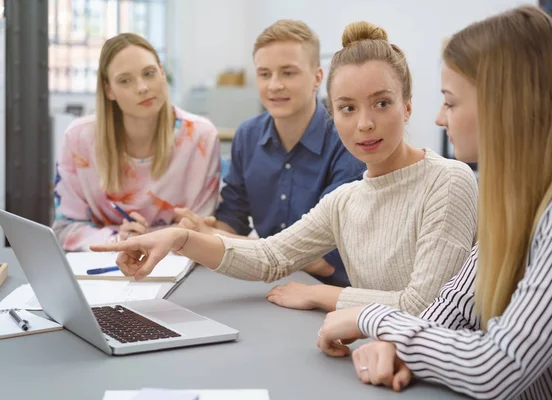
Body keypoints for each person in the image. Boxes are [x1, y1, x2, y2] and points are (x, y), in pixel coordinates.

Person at [90, 22, 479, 318]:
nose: (364, 124)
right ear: (333, 113)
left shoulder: (448, 180)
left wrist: (320, 295)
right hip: (368, 351)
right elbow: (268, 256)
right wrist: (177, 237)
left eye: (381, 103)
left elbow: (424, 305)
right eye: (347, 108)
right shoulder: (345, 201)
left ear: (408, 105)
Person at [315, 6, 552, 400]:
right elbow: (454, 305)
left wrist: (373, 320)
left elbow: (498, 366)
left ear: (503, 105)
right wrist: (394, 346)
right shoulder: (520, 194)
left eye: (450, 101)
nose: (438, 118)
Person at [173, 20, 365, 287]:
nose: (274, 85)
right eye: (264, 74)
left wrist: (210, 238)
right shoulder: (247, 136)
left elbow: (318, 258)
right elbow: (233, 219)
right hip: (265, 285)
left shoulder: (346, 140)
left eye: (288, 73)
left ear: (318, 77)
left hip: (331, 293)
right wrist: (198, 231)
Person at [52, 33, 220, 251]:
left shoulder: (201, 137)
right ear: (109, 90)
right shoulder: (78, 139)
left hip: (178, 265)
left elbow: (201, 227)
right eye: (125, 80)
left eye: (149, 73)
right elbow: (64, 228)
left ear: (161, 72)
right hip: (101, 267)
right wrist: (117, 239)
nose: (142, 87)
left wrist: (145, 239)